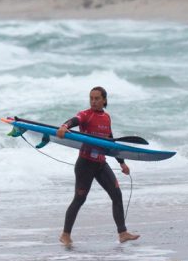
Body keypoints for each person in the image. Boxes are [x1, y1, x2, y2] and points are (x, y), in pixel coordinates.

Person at [56, 86, 140, 246]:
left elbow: (109, 141)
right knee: (80, 198)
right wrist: (64, 126)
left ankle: (122, 233)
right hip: (85, 164)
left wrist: (122, 163)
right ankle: (65, 234)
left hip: (101, 163)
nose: (93, 101)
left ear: (104, 100)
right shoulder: (86, 115)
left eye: (97, 98)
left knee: (117, 195)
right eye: (91, 98)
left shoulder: (107, 118)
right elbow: (75, 120)